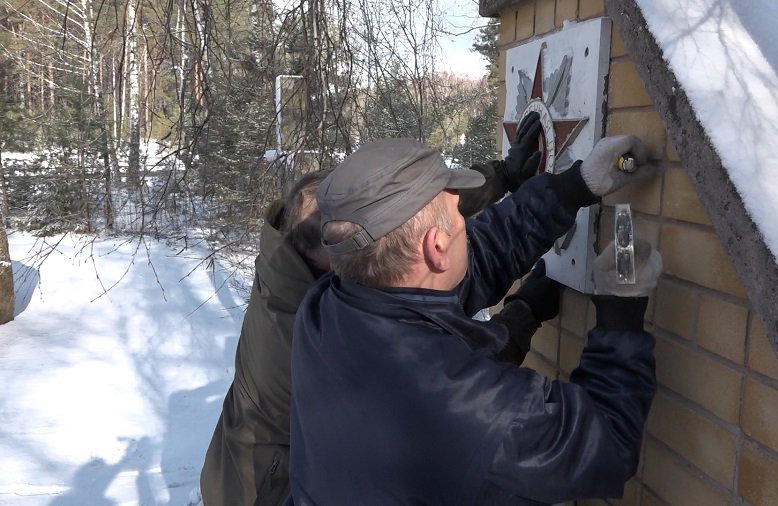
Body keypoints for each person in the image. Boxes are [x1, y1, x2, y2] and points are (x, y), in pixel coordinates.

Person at [198, 114, 557, 506]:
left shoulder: (294, 254)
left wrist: (501, 176)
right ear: (330, 249)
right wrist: (522, 315)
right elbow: (444, 392)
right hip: (262, 490)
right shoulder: (312, 330)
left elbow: (401, 209)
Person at [286, 136, 660, 504]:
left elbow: (471, 261)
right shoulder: (472, 414)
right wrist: (621, 310)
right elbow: (607, 442)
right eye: (461, 221)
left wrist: (573, 187)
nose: (467, 228)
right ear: (436, 247)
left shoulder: (327, 309)